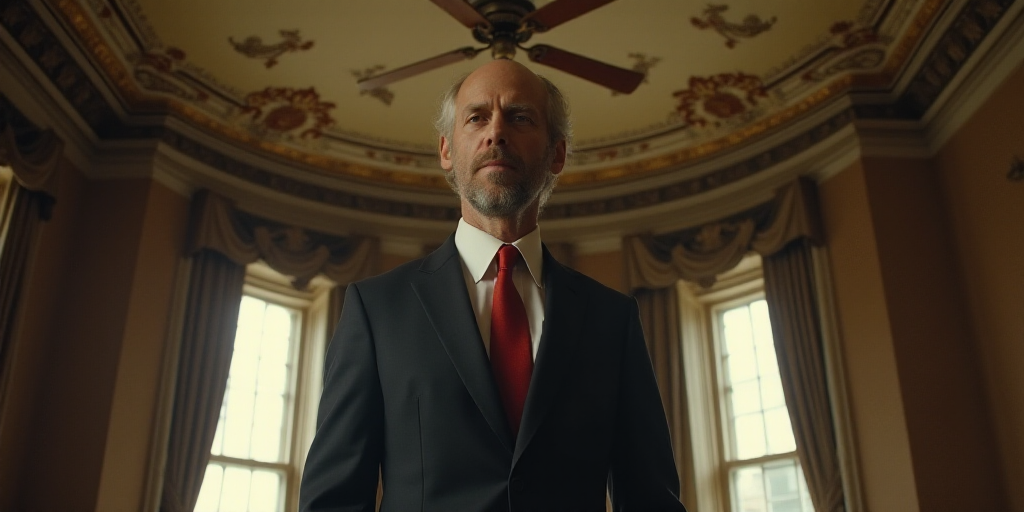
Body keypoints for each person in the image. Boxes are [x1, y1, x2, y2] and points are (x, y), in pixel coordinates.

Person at [299, 59, 685, 512]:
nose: (496, 131)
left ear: (556, 154)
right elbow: (335, 500)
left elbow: (650, 498)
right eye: (477, 116)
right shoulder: (377, 309)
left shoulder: (611, 319)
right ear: (447, 150)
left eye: (520, 117)